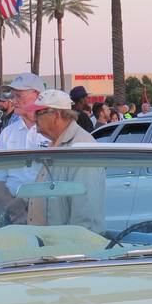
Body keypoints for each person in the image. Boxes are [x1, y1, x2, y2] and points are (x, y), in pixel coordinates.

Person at [21, 88, 105, 231]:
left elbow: (84, 211)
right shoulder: (59, 145)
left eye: (38, 113)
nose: (34, 119)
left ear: (56, 115)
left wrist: (75, 250)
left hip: (66, 248)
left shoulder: (81, 148)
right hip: (52, 244)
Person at [0, 72, 49, 221]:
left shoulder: (52, 131)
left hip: (49, 207)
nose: (14, 101)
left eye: (19, 96)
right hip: (15, 212)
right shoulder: (8, 133)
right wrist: (15, 207)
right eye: (12, 97)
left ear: (38, 96)